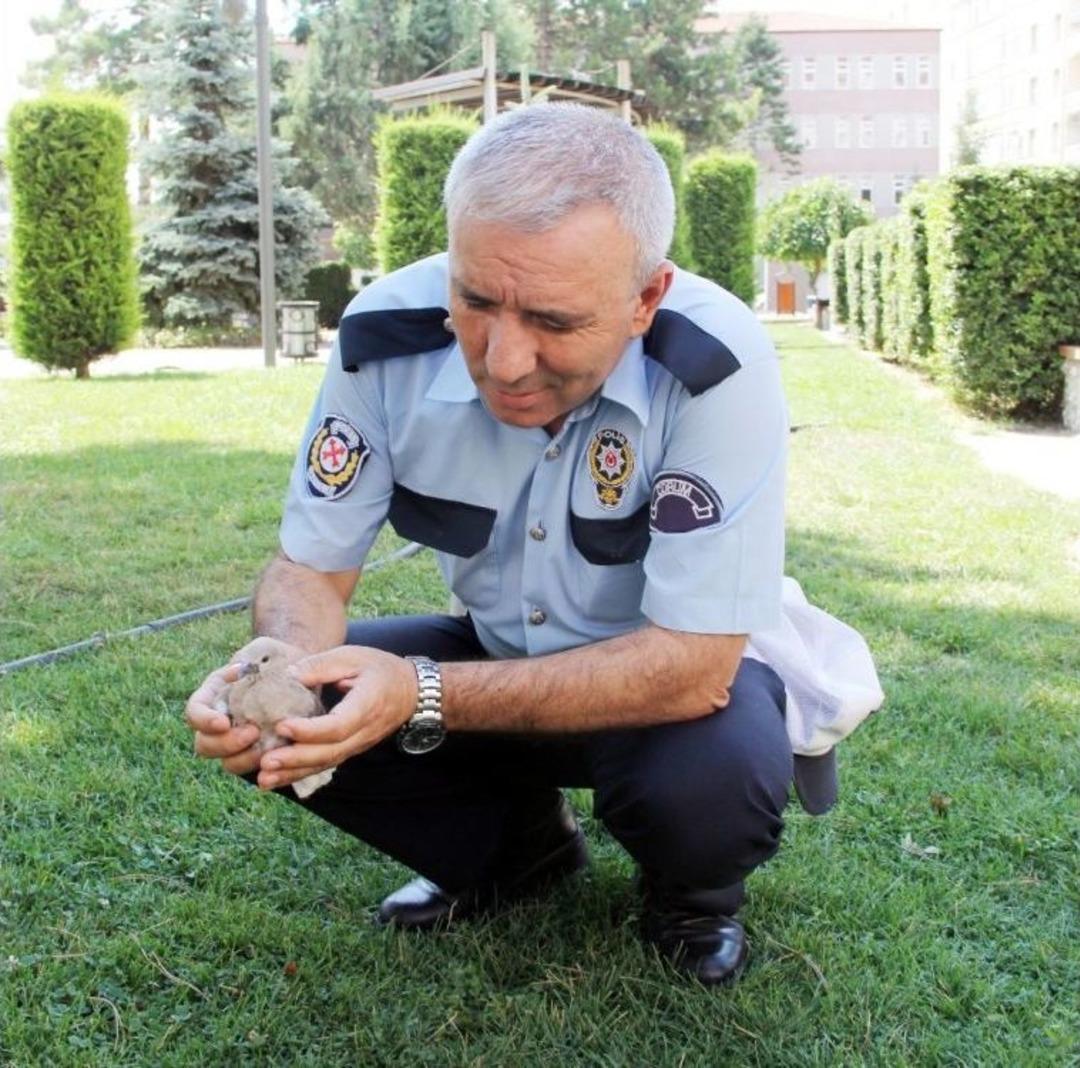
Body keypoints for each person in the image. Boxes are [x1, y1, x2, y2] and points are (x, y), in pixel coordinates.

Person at [185, 104, 860, 987]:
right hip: (497, 656)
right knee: (278, 707)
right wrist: (281, 673)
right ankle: (520, 856)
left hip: (670, 690)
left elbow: (696, 666)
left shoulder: (716, 363)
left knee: (712, 771)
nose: (504, 360)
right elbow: (310, 567)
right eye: (474, 300)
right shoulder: (382, 340)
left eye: (553, 320)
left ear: (645, 298)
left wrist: (419, 692)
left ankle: (693, 897)